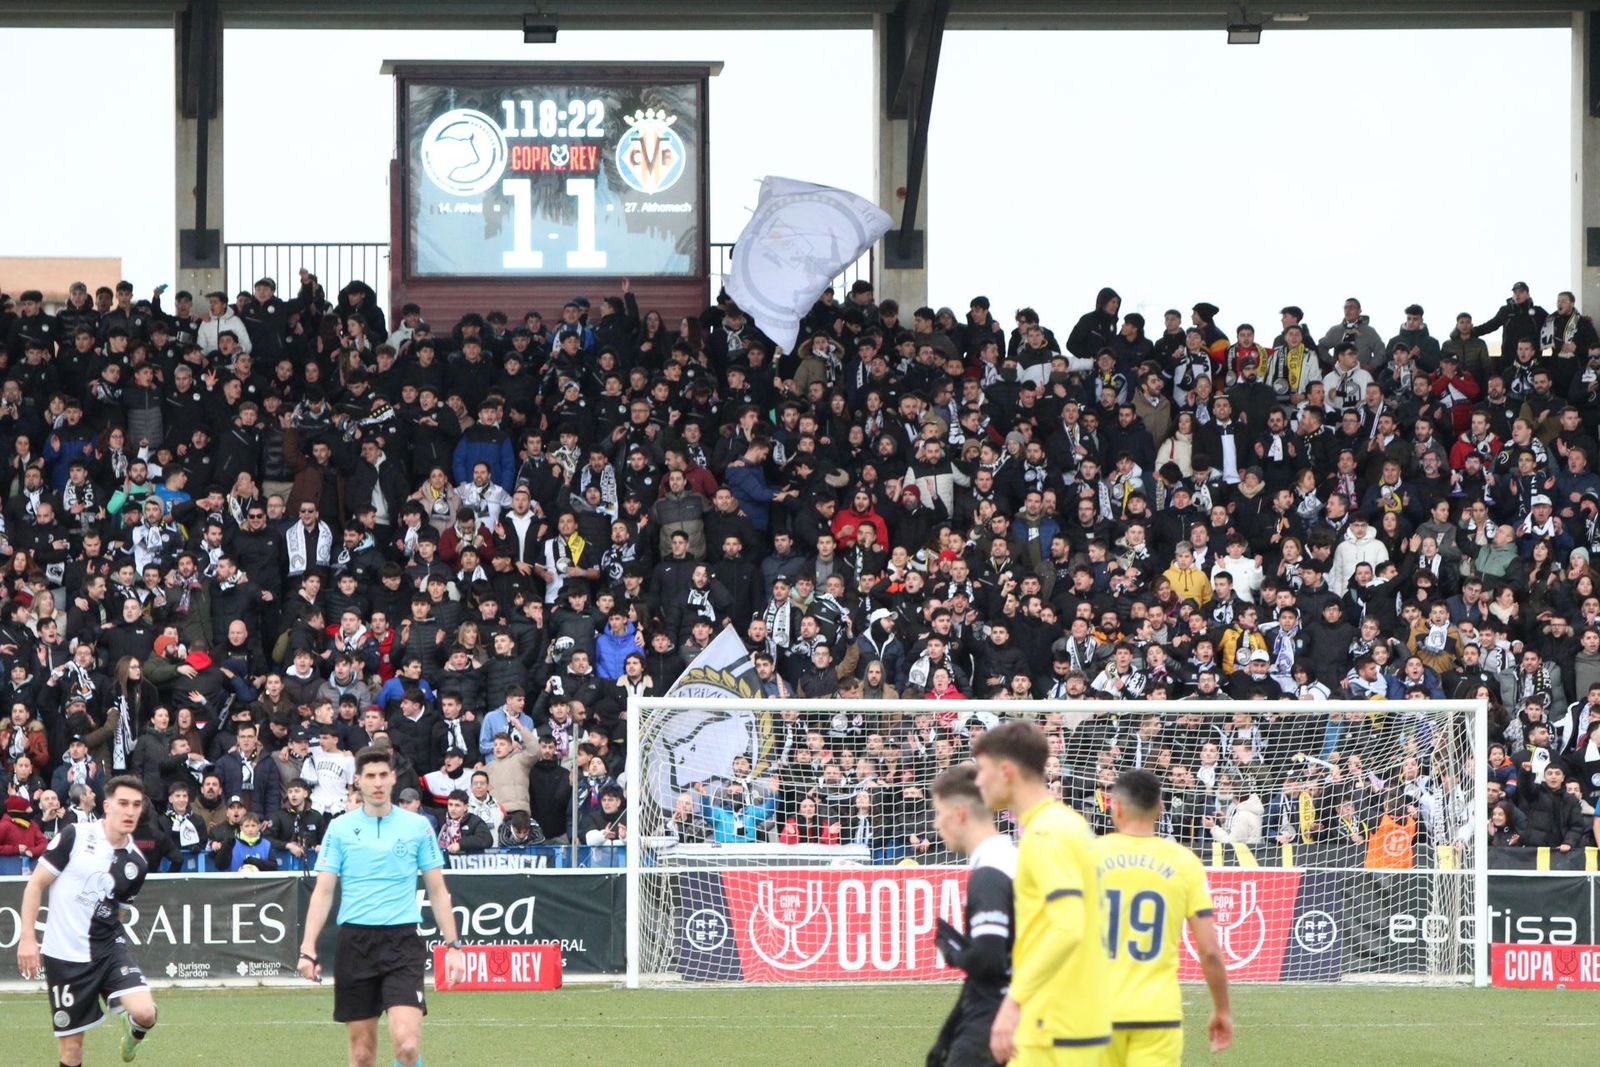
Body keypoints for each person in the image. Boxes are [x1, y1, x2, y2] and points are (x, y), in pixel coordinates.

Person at [298, 747, 467, 1067]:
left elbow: (436, 888)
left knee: (406, 1046)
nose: (377, 782)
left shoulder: (417, 827)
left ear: (392, 778)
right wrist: (308, 948)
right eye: (370, 776)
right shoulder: (340, 828)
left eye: (383, 775)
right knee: (362, 1055)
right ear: (358, 781)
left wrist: (453, 945)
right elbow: (322, 891)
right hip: (355, 943)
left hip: (402, 943)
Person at [973, 721, 1108, 1064]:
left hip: (1054, 1022)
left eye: (982, 770)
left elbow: (1067, 926)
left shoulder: (1047, 833)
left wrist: (1013, 1001)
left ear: (1006, 771)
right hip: (1071, 1014)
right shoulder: (1063, 823)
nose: (977, 781)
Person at [16, 775, 160, 1064]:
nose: (130, 811)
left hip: (107, 950)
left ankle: (132, 1034)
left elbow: (117, 909)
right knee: (72, 1050)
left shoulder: (137, 863)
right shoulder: (75, 836)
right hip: (64, 957)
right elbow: (35, 884)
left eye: (135, 805)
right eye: (123, 803)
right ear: (107, 805)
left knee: (146, 1013)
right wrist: (28, 937)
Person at [1093, 770, 1232, 1066]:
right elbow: (1209, 951)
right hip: (1156, 1014)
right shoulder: (1184, 862)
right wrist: (1222, 1009)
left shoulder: (1088, 855)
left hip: (1095, 1012)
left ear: (1115, 806)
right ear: (1159, 808)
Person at [927, 764, 1015, 1067]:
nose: (936, 823)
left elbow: (989, 961)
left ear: (960, 813)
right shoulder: (1009, 859)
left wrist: (954, 953)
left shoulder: (990, 872)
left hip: (994, 1019)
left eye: (939, 812)